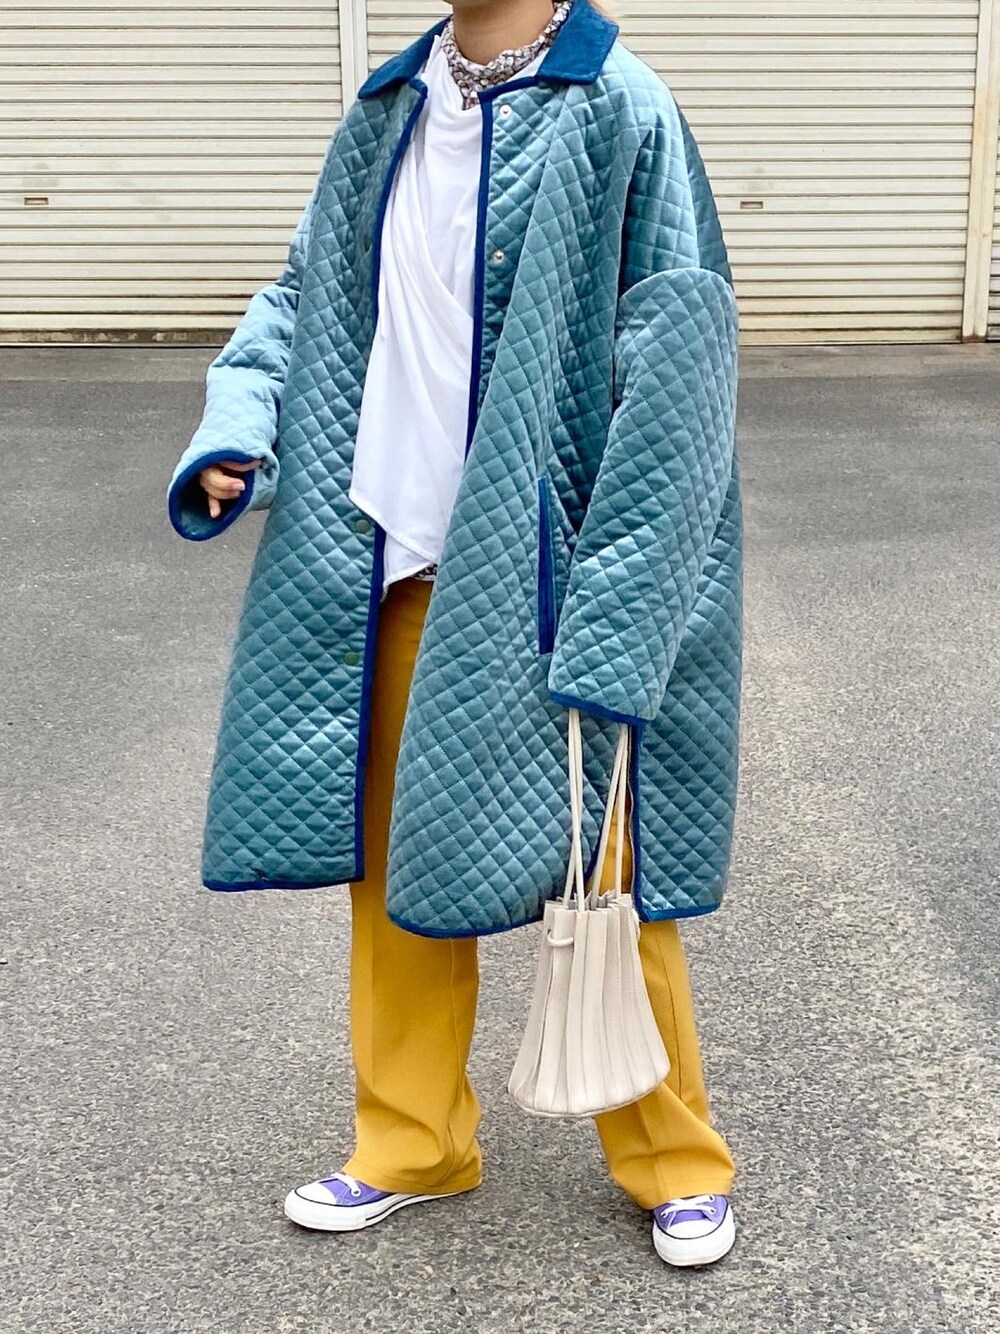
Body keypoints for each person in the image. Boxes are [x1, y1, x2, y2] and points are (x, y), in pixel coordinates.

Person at [167, 0, 743, 1269]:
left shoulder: (621, 106)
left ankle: (675, 1159)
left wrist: (620, 610)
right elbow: (303, 296)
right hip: (387, 556)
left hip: (541, 574)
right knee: (390, 872)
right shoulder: (387, 110)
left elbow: (680, 369)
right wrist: (238, 423)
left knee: (604, 872)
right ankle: (412, 1138)